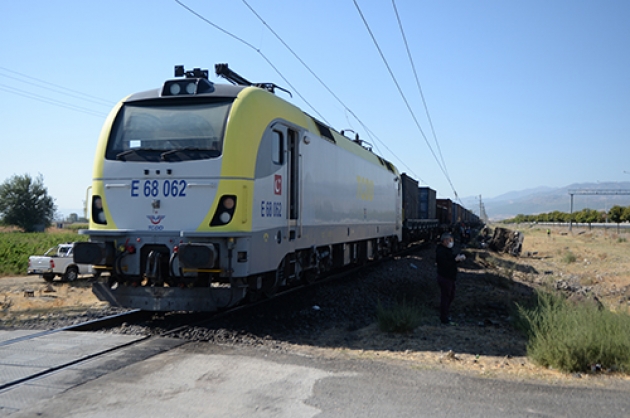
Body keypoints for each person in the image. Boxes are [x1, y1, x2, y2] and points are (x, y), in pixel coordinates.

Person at [436, 232, 465, 325]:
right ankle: (444, 317)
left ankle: (445, 314)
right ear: (444, 241)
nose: (451, 242)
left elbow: (451, 260)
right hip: (445, 277)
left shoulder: (446, 250)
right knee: (446, 297)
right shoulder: (441, 251)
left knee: (450, 296)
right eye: (450, 240)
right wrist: (455, 260)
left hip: (450, 277)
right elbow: (445, 264)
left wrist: (458, 259)